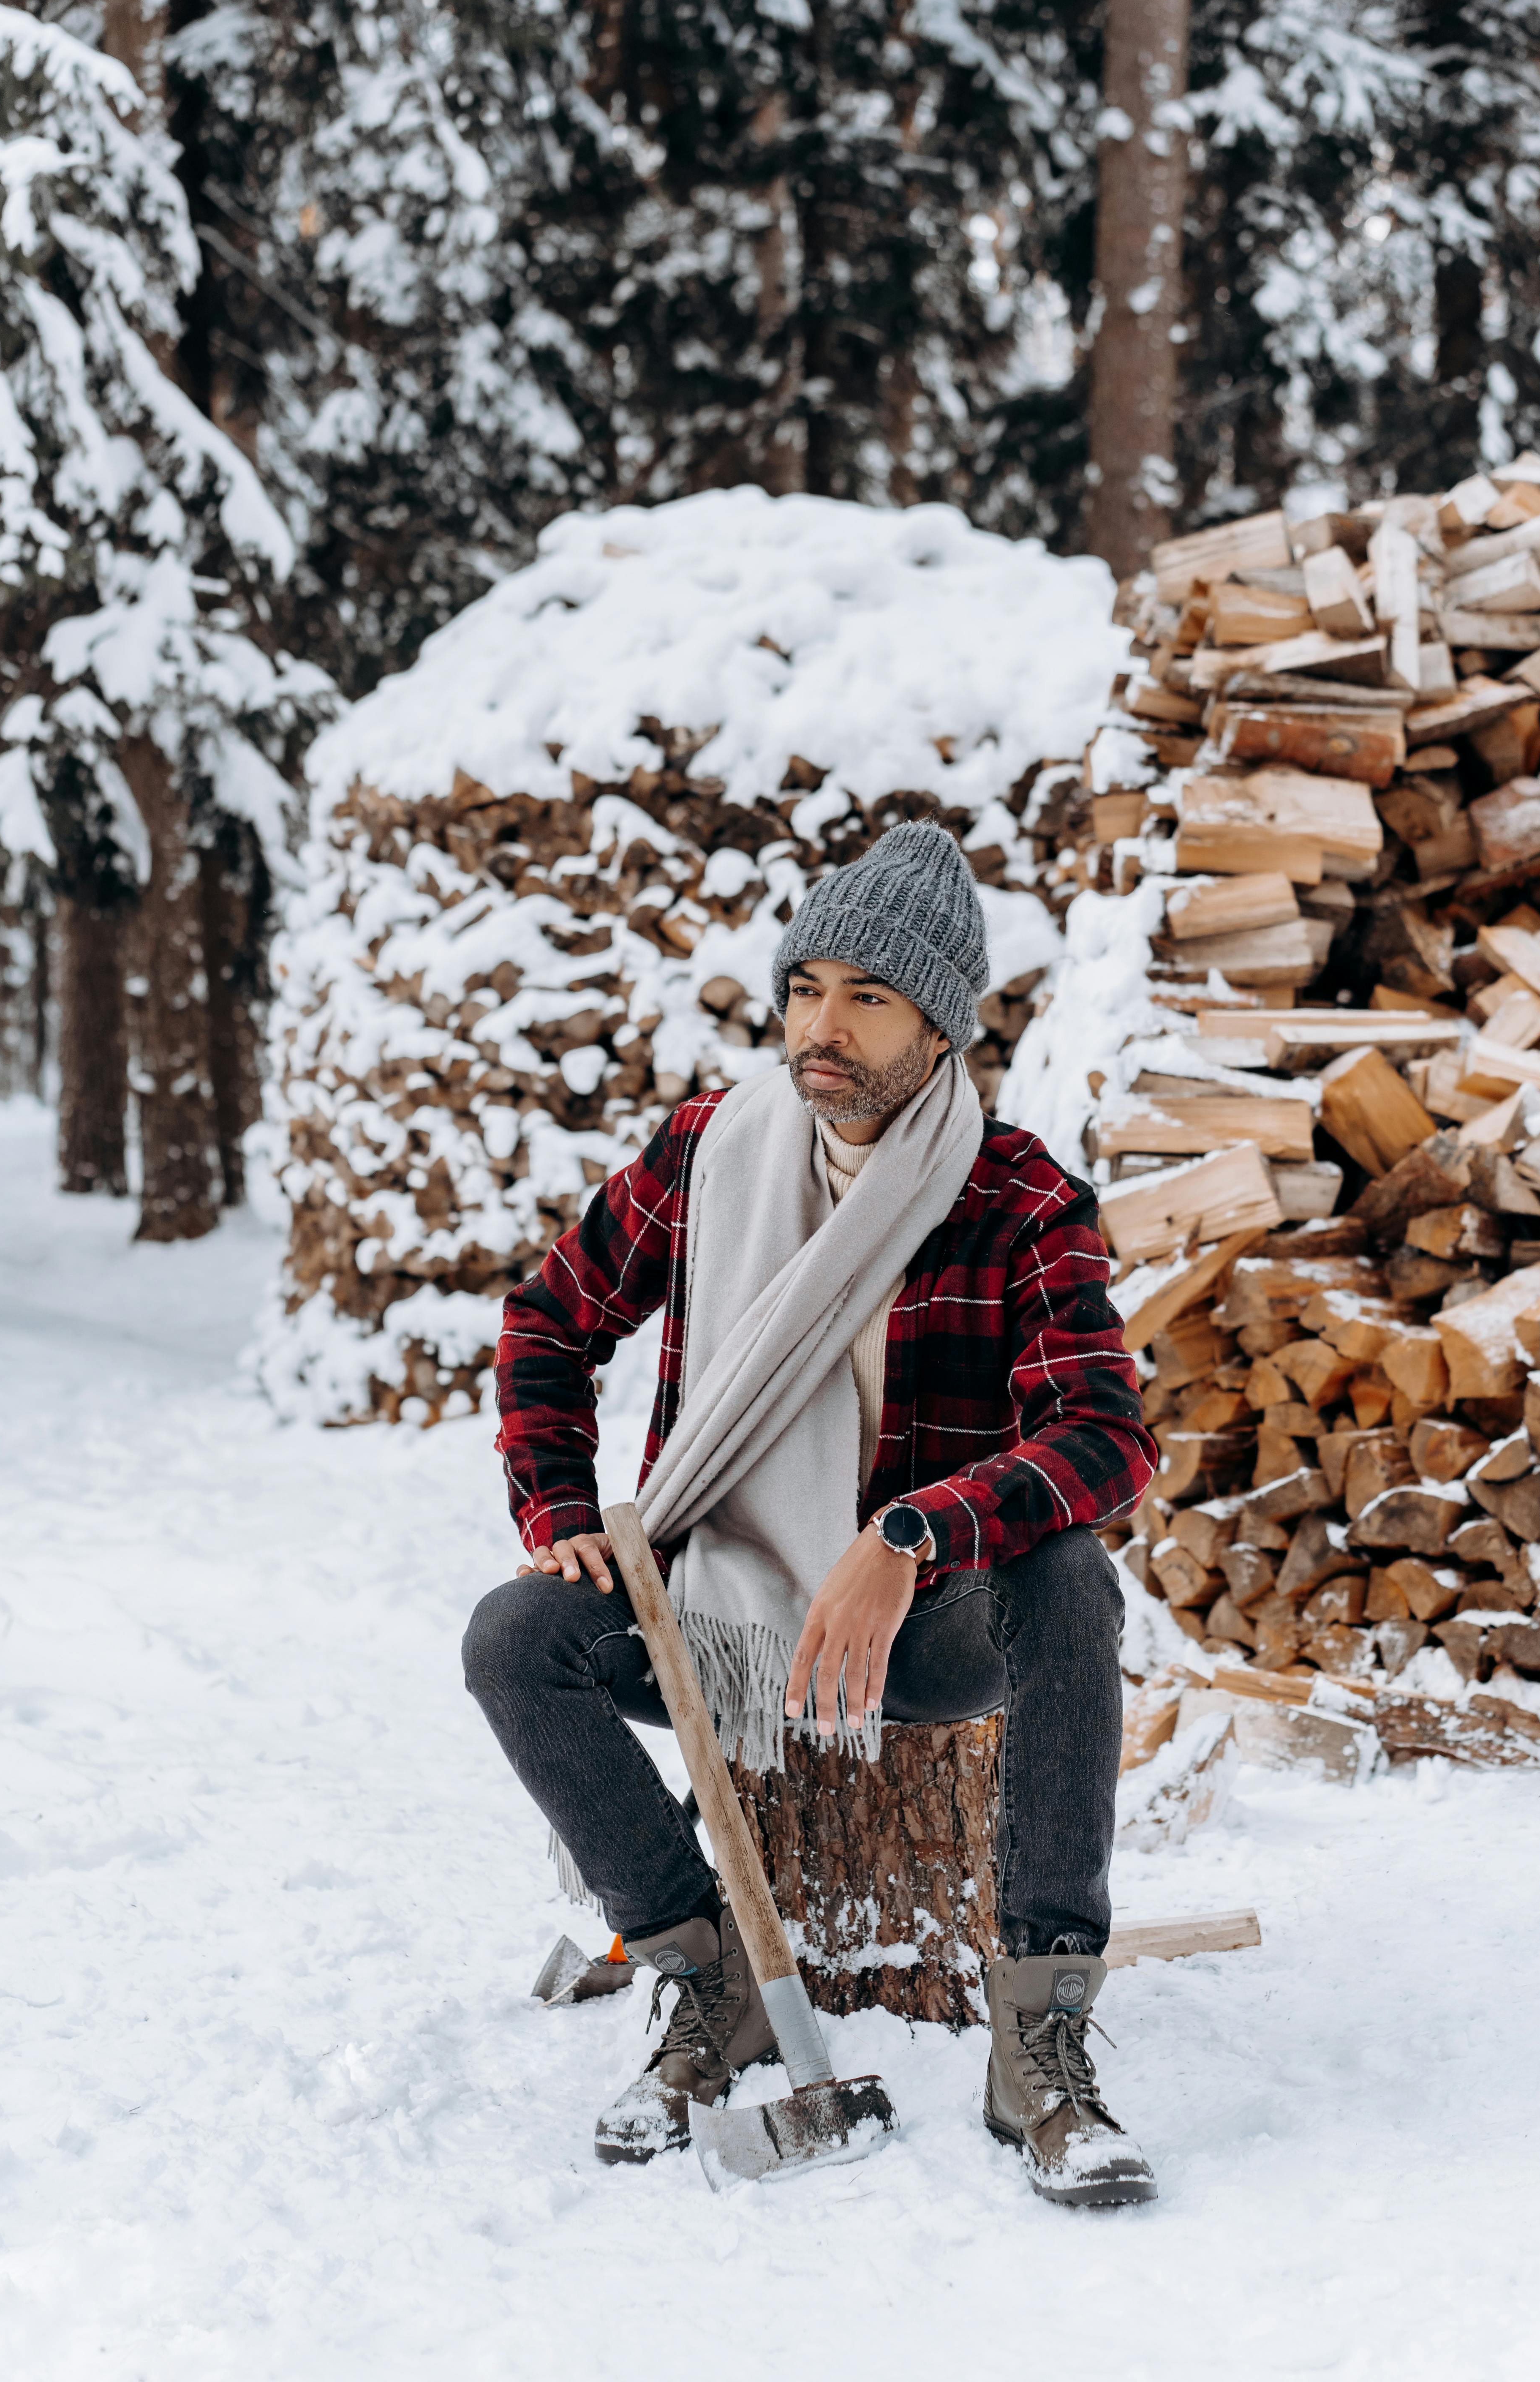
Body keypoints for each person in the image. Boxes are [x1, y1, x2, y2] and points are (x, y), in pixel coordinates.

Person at [463, 819, 1160, 2206]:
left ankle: (1041, 2047)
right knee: (513, 1639)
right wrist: (558, 1505)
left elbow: (1104, 1435)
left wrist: (913, 1537)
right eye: (805, 989)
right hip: (716, 1609)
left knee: (1072, 1579)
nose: (822, 1029)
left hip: (922, 1630)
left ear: (942, 1027)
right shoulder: (711, 1153)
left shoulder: (1018, 1198)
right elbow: (548, 1323)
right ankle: (702, 1973)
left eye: (868, 998)